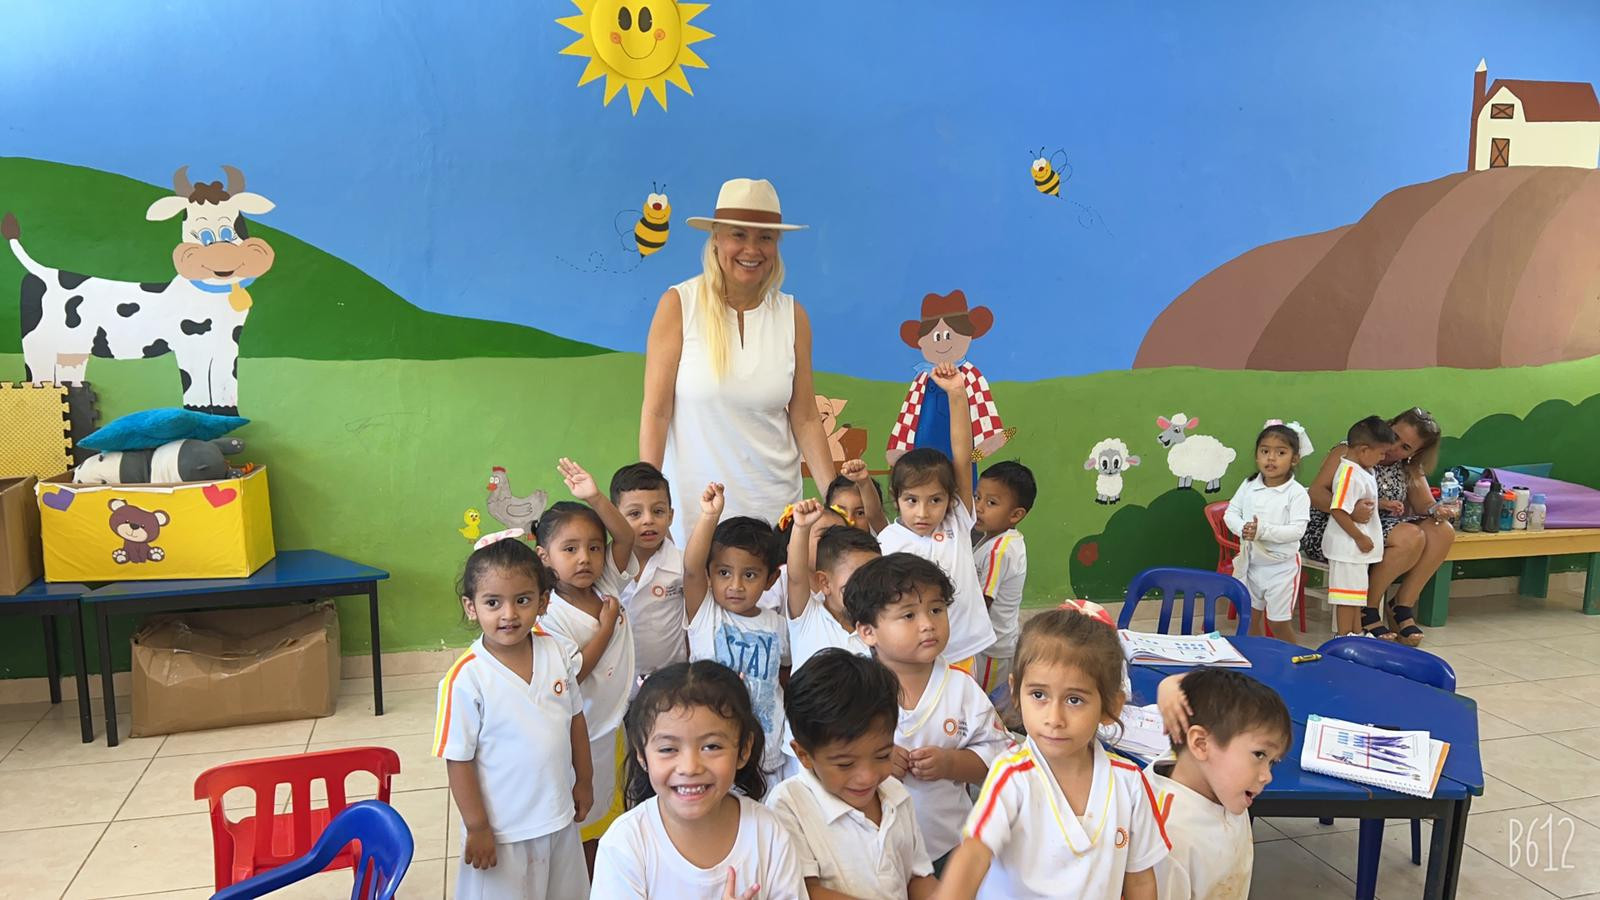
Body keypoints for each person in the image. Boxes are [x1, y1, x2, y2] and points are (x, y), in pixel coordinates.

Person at [639, 178, 835, 541]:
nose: (752, 249)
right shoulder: (679, 305)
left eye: (765, 237)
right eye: (738, 235)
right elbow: (657, 412)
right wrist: (647, 503)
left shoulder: (793, 315)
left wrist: (836, 501)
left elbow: (806, 416)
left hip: (777, 514)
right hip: (696, 516)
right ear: (715, 238)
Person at [937, 609, 1168, 900]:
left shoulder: (1130, 783)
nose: (1054, 718)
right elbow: (974, 853)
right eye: (1039, 695)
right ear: (1016, 692)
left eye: (1074, 700)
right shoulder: (1011, 775)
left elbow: (1140, 880)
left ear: (1111, 707)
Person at [434, 535, 592, 899]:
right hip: (502, 832)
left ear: (543, 602)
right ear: (471, 607)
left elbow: (575, 720)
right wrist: (477, 827)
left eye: (522, 600)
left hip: (557, 817)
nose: (509, 614)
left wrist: (584, 780)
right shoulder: (466, 679)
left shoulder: (555, 652)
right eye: (493, 602)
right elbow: (458, 760)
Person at [845, 553, 1013, 871]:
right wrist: (875, 760)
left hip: (947, 848)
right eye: (908, 615)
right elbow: (828, 759)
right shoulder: (852, 691)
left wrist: (951, 763)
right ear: (868, 632)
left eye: (936, 610)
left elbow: (1000, 761)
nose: (928, 624)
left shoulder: (962, 689)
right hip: (871, 853)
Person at [593, 661, 805, 899]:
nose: (690, 767)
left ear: (744, 750)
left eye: (711, 746)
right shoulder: (625, 843)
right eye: (668, 749)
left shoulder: (768, 833)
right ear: (642, 755)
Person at [767, 648, 938, 900]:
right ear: (803, 754)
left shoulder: (896, 794)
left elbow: (918, 876)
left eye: (882, 756)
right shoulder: (788, 805)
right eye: (845, 764)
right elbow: (806, 891)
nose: (867, 777)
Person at [535, 458, 640, 859]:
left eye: (594, 548)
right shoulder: (548, 611)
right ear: (544, 556)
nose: (584, 558)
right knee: (582, 816)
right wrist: (606, 627)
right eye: (570, 549)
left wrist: (595, 497)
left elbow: (625, 536)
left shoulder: (605, 583)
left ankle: (605, 874)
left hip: (612, 723)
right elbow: (573, 672)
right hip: (581, 729)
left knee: (609, 812)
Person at [876, 363, 998, 671]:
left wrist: (956, 393)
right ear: (896, 498)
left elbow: (962, 455)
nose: (923, 512)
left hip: (960, 650)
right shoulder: (887, 541)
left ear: (950, 498)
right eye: (911, 500)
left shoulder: (957, 518)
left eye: (935, 500)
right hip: (911, 654)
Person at [1301, 408, 1454, 645]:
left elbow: (1424, 504)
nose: (1394, 448)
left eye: (1405, 447)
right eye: (1395, 437)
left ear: (1415, 453)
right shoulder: (1353, 451)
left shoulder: (1408, 465)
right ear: (1389, 426)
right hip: (1337, 525)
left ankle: (1401, 605)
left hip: (1375, 527)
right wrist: (1351, 511)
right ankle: (1368, 608)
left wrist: (1439, 510)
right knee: (1410, 535)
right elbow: (1316, 493)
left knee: (1442, 531)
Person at [1151, 669, 1291, 899]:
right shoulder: (1166, 839)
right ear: (1201, 744)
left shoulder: (1216, 781)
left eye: (1272, 762)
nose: (1267, 776)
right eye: (1259, 754)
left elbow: (1207, 685)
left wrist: (1167, 684)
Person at [683, 483, 791, 781]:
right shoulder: (705, 613)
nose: (736, 585)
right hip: (711, 752)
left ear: (771, 579)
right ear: (709, 573)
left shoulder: (778, 625)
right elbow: (691, 569)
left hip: (767, 756)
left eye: (750, 575)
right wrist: (709, 516)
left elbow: (784, 674)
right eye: (724, 573)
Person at [1223, 423, 1312, 646]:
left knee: (1277, 623)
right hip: (1251, 564)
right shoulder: (1249, 485)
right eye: (1265, 451)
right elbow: (1231, 513)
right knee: (1249, 618)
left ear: (1294, 459)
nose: (1271, 458)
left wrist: (1262, 531)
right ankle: (1256, 658)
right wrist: (1243, 528)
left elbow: (1297, 530)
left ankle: (1292, 659)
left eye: (1280, 453)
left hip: (1281, 569)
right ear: (1257, 455)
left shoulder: (1297, 493)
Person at [1320, 417, 1397, 636]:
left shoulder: (1363, 470)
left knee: (1355, 596)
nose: (1383, 458)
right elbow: (1338, 509)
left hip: (1355, 551)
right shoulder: (1349, 474)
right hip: (1347, 548)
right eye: (1381, 453)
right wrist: (1360, 537)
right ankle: (1344, 637)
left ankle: (1357, 634)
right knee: (1346, 598)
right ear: (1363, 450)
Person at [611, 462, 688, 679]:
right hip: (616, 682)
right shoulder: (603, 565)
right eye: (635, 513)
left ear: (670, 516)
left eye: (658, 511)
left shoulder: (682, 565)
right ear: (614, 517)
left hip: (669, 680)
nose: (648, 520)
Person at [784, 500, 879, 670]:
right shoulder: (808, 614)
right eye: (857, 576)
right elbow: (796, 577)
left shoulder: (881, 628)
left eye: (874, 575)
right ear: (825, 582)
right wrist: (801, 528)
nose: (867, 585)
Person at [971, 460, 1035, 699]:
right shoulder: (994, 539)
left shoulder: (999, 550)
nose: (979, 507)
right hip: (990, 642)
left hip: (992, 648)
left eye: (991, 503)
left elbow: (984, 601)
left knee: (986, 701)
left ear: (1016, 514)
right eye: (977, 497)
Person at [826, 463, 887, 534]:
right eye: (840, 511)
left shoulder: (883, 536)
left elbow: (875, 515)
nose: (850, 521)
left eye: (860, 513)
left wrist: (864, 481)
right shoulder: (821, 537)